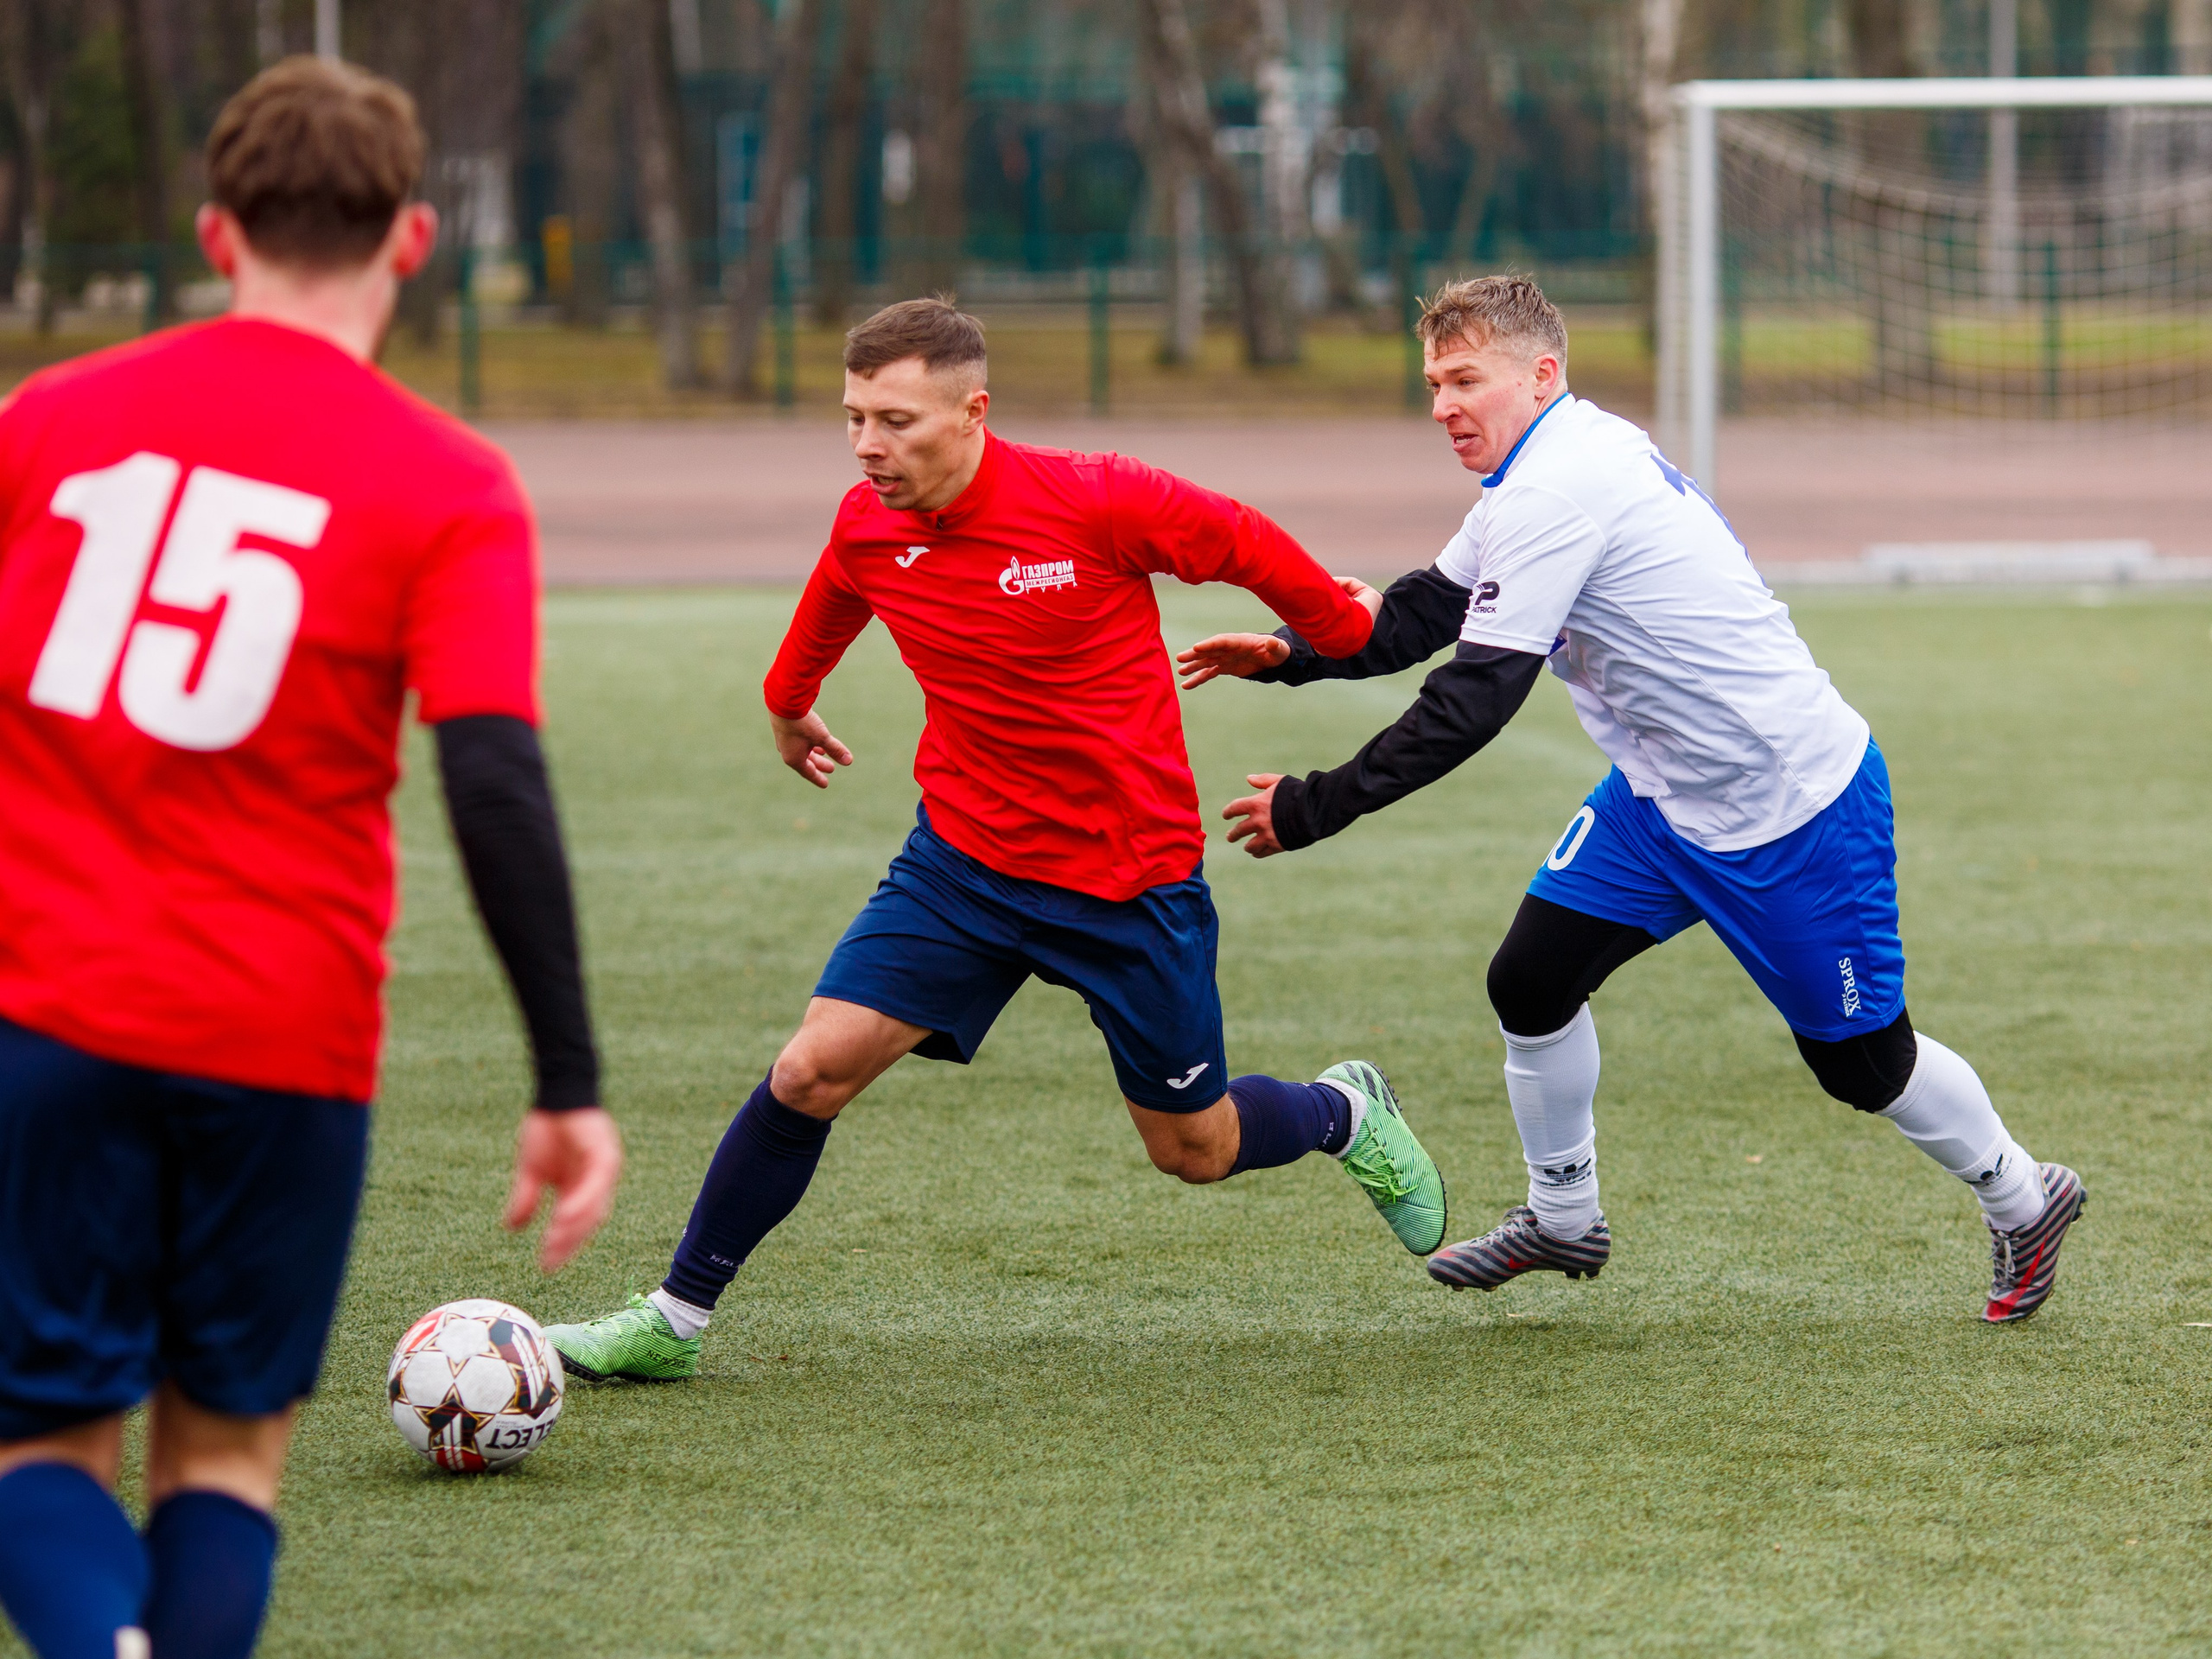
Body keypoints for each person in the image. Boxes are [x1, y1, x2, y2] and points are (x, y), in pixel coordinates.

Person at [0, 59, 621, 1659]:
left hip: (46, 1018)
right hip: (286, 1041)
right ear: (413, 241)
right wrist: (566, 1077)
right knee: (223, 1454)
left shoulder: (44, 430)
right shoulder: (450, 484)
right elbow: (492, 776)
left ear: (217, 230)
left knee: (44, 1441)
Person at [546, 298, 1444, 1382]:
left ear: (974, 412)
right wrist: (787, 703)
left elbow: (1242, 538)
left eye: (896, 420)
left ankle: (1342, 1111)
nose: (870, 447)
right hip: (962, 865)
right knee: (809, 1070)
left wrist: (1340, 633)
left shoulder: (1097, 499)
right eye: (853, 419)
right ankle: (673, 1319)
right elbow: (835, 597)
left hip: (1129, 882)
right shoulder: (868, 522)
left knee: (1194, 1150)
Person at [1178, 275, 2082, 1324]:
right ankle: (1564, 1216)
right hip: (1660, 802)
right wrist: (1292, 656)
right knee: (1529, 979)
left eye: (1465, 380)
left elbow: (1469, 703)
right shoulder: (1544, 469)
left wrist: (1314, 805)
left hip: (1788, 809)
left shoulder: (1559, 490)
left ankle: (2025, 1195)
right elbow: (1423, 607)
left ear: (1541, 375)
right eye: (1432, 383)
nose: (1442, 406)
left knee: (1862, 1063)